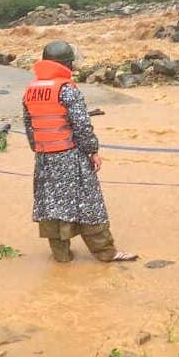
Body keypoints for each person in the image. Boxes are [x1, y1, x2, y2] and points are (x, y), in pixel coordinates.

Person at [22, 41, 137, 263]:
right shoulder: (67, 89)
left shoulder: (31, 90)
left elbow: (29, 126)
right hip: (70, 155)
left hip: (45, 158)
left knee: (51, 205)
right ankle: (106, 252)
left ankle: (61, 255)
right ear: (67, 64)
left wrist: (40, 150)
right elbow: (82, 126)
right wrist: (93, 151)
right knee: (89, 202)